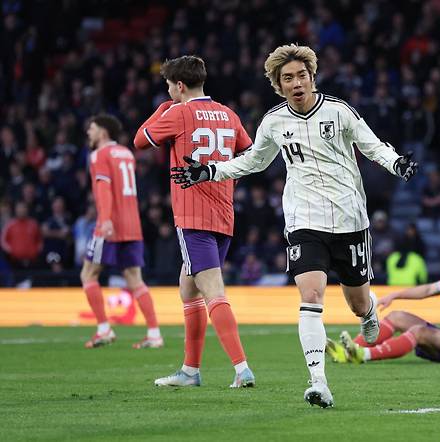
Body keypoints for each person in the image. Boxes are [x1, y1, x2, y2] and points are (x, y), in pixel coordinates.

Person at [170, 44, 418, 408]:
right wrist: (210, 171)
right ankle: (318, 381)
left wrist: (396, 164)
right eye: (288, 78)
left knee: (357, 301)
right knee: (311, 296)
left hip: (350, 220)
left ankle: (369, 311)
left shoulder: (339, 111)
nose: (297, 82)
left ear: (312, 77)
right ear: (278, 84)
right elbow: (252, 162)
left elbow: (371, 145)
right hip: (304, 220)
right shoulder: (273, 121)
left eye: (302, 75)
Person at [134, 55, 254, 388]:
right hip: (224, 214)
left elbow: (140, 140)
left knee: (213, 291)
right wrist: (228, 178)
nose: (169, 91)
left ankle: (242, 369)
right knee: (188, 290)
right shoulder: (228, 114)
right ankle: (190, 371)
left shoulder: (178, 112)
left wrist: (161, 109)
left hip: (193, 216)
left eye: (169, 86)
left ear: (180, 85)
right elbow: (250, 153)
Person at [327, 228, 440, 365]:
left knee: (418, 332)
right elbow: (428, 290)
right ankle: (349, 349)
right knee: (396, 317)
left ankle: (362, 354)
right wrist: (395, 295)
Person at [81, 115, 163, 349]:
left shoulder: (99, 155)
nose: (89, 132)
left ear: (103, 133)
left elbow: (104, 189)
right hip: (132, 225)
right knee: (135, 280)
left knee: (88, 275)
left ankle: (104, 329)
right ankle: (154, 334)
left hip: (110, 224)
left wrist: (105, 220)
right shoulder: (126, 153)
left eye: (92, 128)